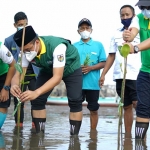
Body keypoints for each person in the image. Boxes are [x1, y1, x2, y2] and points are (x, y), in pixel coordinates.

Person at [10, 25, 83, 135]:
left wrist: (36, 92)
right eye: (23, 51)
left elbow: (57, 77)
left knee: (75, 100)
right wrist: (14, 85)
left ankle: (74, 138)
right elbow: (19, 73)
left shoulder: (58, 47)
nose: (26, 53)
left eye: (28, 49)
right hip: (48, 68)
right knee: (37, 100)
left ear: (37, 43)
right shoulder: (24, 52)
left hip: (71, 67)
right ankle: (39, 136)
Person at [100, 5, 140, 133]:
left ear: (133, 16)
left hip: (136, 75)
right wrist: (103, 74)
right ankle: (128, 136)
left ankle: (141, 136)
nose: (125, 17)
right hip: (120, 75)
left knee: (138, 104)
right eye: (122, 15)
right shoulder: (116, 34)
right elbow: (111, 55)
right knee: (126, 106)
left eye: (127, 15)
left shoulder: (140, 32)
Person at [4, 12, 39, 128]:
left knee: (35, 99)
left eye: (25, 24)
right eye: (20, 24)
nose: (23, 27)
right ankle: (18, 125)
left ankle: (36, 125)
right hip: (18, 74)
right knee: (19, 101)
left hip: (33, 73)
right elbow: (7, 60)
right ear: (15, 25)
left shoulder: (35, 37)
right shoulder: (9, 40)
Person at [123, 0, 150, 139]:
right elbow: (133, 30)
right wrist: (129, 36)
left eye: (148, 7)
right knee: (142, 109)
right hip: (146, 71)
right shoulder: (140, 18)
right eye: (142, 7)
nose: (145, 10)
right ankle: (139, 145)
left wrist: (136, 47)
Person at [74, 18, 106, 129]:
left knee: (93, 109)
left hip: (93, 84)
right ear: (78, 31)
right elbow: (69, 63)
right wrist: (78, 68)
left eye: (87, 28)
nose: (85, 30)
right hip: (77, 84)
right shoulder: (73, 46)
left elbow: (104, 63)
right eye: (82, 28)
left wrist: (91, 68)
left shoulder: (98, 45)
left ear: (91, 30)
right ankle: (75, 133)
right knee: (76, 108)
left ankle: (93, 133)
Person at [0, 42, 15, 129]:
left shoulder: (1, 48)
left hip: (2, 75)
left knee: (3, 101)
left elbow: (13, 65)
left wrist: (5, 88)